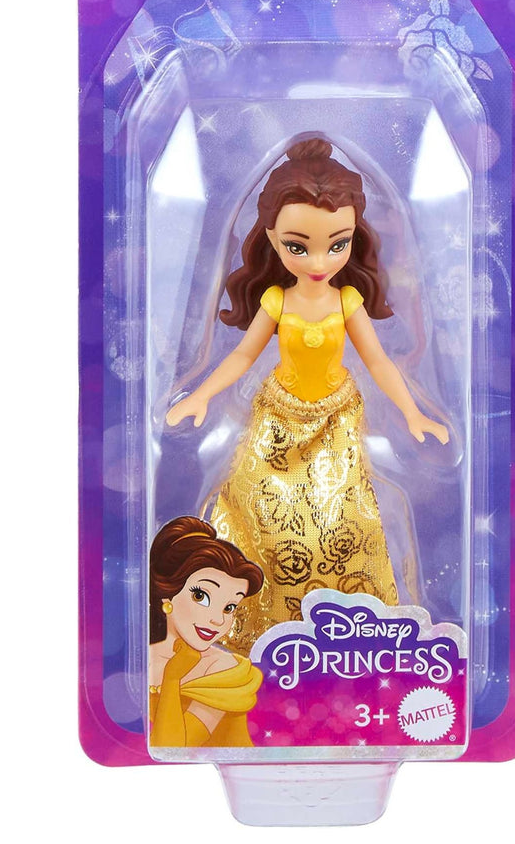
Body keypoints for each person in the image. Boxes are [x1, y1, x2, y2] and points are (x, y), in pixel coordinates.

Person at [166, 137, 448, 655]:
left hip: (336, 420)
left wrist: (414, 414)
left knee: (344, 515)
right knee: (259, 503)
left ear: (354, 238)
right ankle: (260, 619)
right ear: (272, 237)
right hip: (278, 419)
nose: (320, 260)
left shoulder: (347, 300)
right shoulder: (276, 299)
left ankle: (347, 620)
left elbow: (379, 362)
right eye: (299, 246)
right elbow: (242, 356)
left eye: (337, 244)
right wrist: (199, 396)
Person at [149, 515, 263, 747]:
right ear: (167, 594)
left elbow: (174, 750)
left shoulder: (222, 669)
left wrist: (172, 678)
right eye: (201, 596)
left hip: (227, 766)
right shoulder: (139, 657)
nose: (218, 619)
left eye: (229, 607)